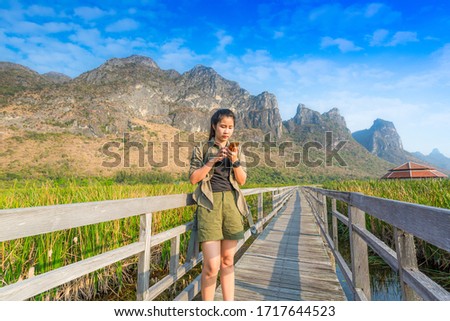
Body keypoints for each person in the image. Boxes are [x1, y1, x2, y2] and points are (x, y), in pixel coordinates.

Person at [189, 108, 249, 301]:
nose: (227, 131)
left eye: (230, 127)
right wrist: (212, 161)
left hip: (232, 205)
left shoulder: (236, 150)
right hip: (209, 206)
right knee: (211, 266)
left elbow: (242, 181)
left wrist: (236, 161)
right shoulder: (202, 150)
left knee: (228, 261)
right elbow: (193, 179)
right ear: (214, 126)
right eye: (223, 126)